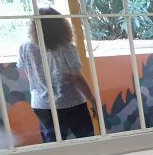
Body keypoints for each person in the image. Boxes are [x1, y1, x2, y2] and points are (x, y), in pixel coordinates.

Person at [16, 8, 96, 143]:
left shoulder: (25, 47)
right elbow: (77, 78)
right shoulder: (67, 48)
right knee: (86, 140)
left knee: (52, 143)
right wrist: (93, 100)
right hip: (70, 102)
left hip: (41, 104)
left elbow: (26, 72)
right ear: (61, 26)